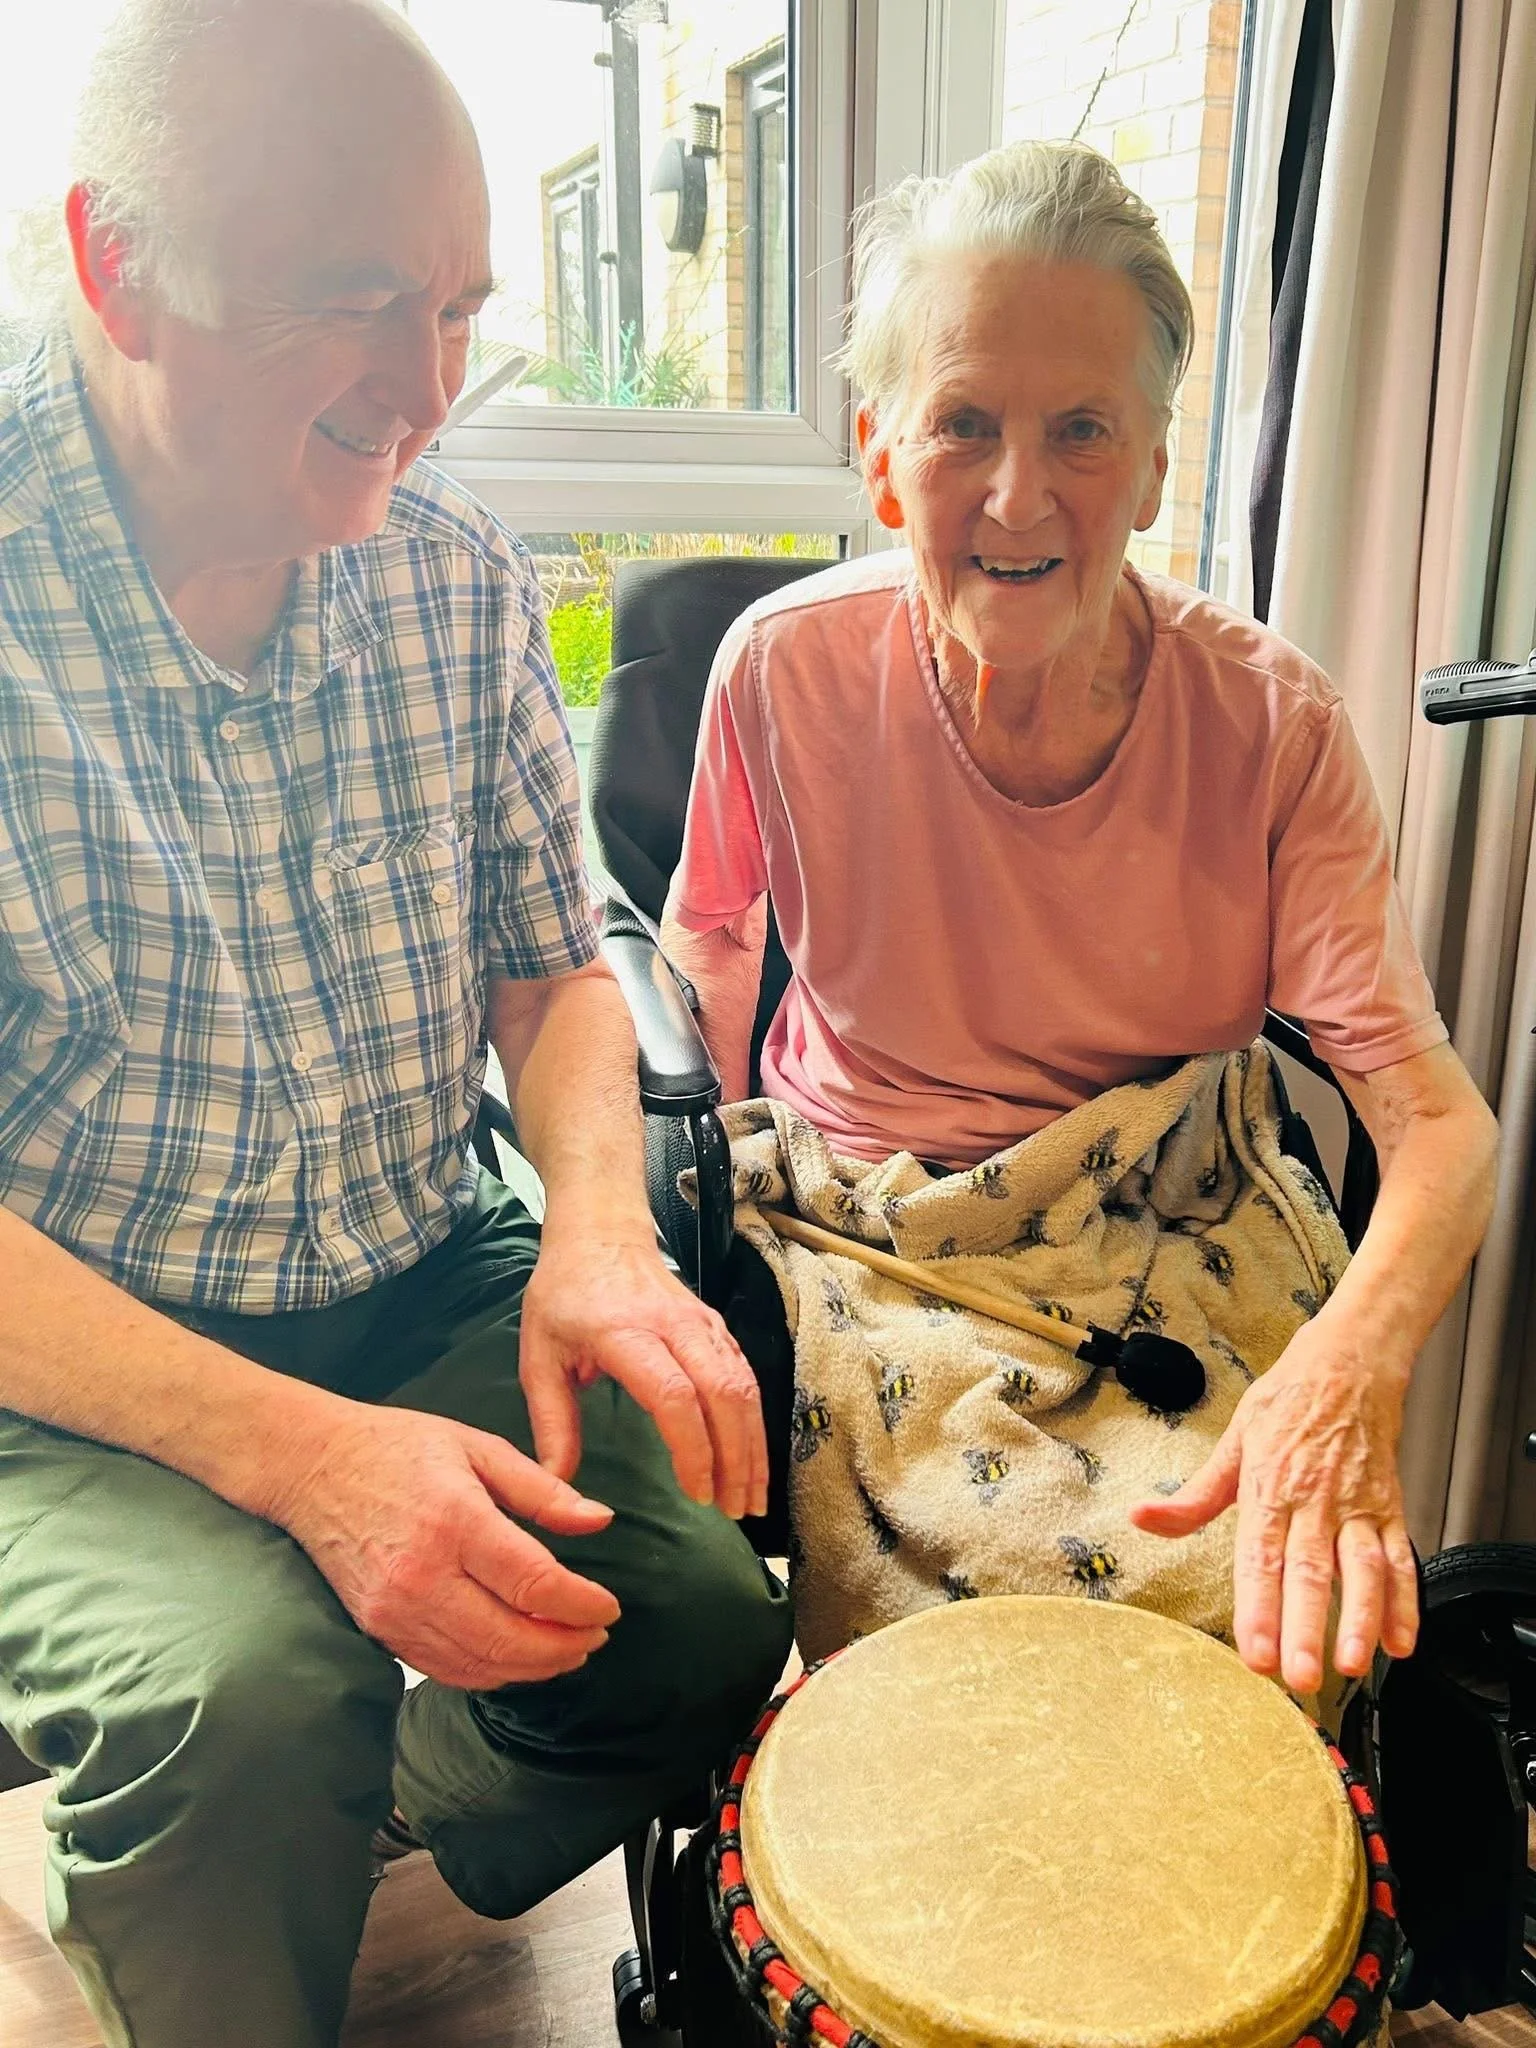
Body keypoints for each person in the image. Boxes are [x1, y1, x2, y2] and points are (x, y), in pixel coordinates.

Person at [0, 2, 790, 2042]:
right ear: (116, 266)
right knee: (251, 1692)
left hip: (405, 1250)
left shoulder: (450, 581)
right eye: (359, 300)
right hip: (66, 1354)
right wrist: (310, 1468)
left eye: (461, 308)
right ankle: (226, 1898)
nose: (428, 388)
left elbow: (550, 969)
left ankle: (357, 1832)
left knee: (701, 1615)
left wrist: (602, 1232)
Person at [661, 140, 1498, 1703]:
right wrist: (681, 1215)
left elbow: (1439, 1122)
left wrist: (1349, 1361)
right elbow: (707, 944)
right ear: (882, 456)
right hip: (876, 1217)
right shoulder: (782, 670)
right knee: (966, 1661)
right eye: (963, 423)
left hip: (1173, 1204)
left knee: (1264, 1606)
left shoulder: (1273, 724)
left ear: (1161, 467)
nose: (1019, 494)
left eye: (1082, 431)